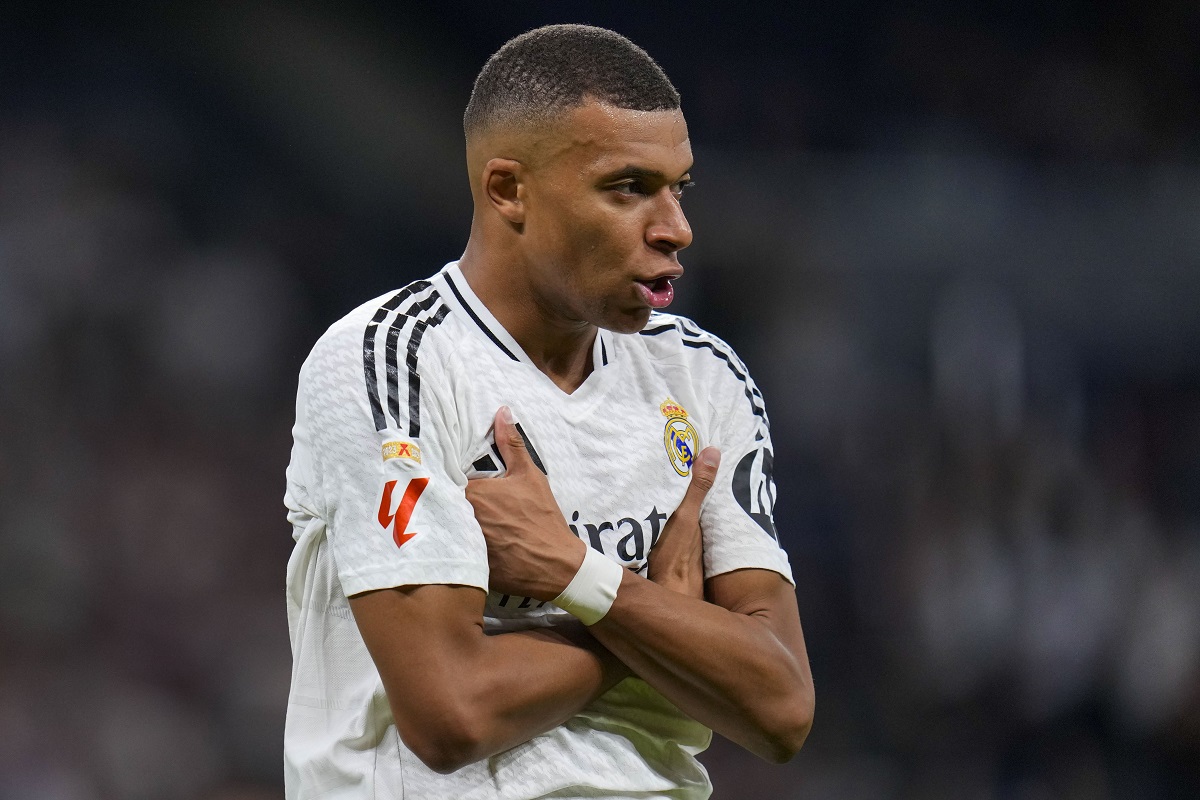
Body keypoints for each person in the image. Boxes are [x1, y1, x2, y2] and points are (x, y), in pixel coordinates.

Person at [283, 23, 814, 800]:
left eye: (680, 187)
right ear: (508, 190)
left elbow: (780, 706)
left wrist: (578, 576)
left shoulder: (700, 373)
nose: (676, 228)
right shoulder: (392, 359)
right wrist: (663, 622)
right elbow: (450, 716)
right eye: (628, 187)